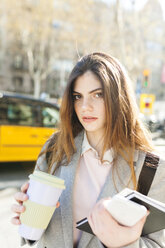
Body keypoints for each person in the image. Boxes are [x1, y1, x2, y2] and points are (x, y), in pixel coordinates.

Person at [11, 52, 165, 248]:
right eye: (78, 96)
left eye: (98, 95)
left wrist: (124, 243)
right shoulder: (55, 148)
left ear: (118, 98)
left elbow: (156, 244)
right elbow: (32, 237)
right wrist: (27, 218)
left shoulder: (151, 168)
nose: (85, 106)